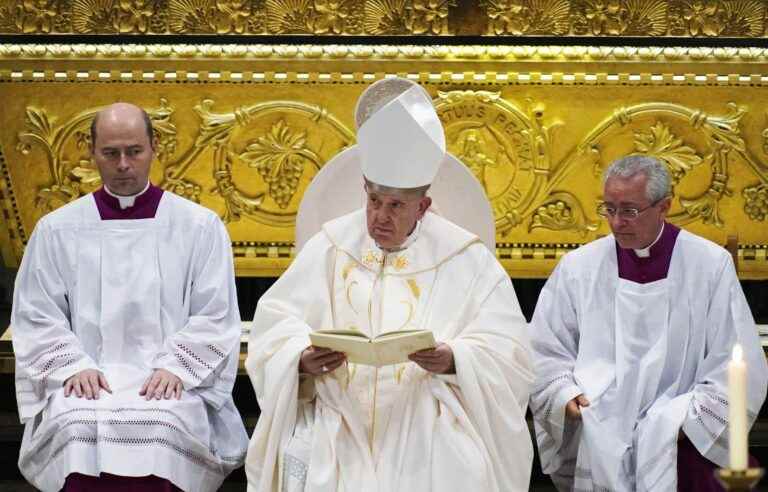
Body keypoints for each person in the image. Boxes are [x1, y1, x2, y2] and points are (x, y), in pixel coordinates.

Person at [244, 78, 534, 491]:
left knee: (454, 465)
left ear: (424, 205)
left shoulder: (466, 260)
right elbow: (275, 325)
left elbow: (511, 354)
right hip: (338, 415)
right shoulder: (330, 247)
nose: (379, 216)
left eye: (396, 205)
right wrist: (300, 360)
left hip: (426, 416)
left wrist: (455, 359)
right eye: (374, 200)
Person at [11, 102, 248, 491]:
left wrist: (177, 367)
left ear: (154, 147)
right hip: (88, 379)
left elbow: (215, 314)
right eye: (111, 152)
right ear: (92, 150)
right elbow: (37, 314)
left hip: (168, 380)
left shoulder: (198, 226)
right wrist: (72, 367)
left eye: (134, 151)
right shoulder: (58, 229)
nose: (123, 164)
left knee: (164, 424)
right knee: (74, 424)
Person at [528, 154, 768, 491]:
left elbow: (736, 359)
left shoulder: (708, 266)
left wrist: (687, 422)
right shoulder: (579, 267)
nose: (616, 222)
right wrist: (563, 393)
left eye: (629, 210)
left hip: (680, 424)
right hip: (599, 421)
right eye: (608, 208)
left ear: (664, 206)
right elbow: (544, 347)